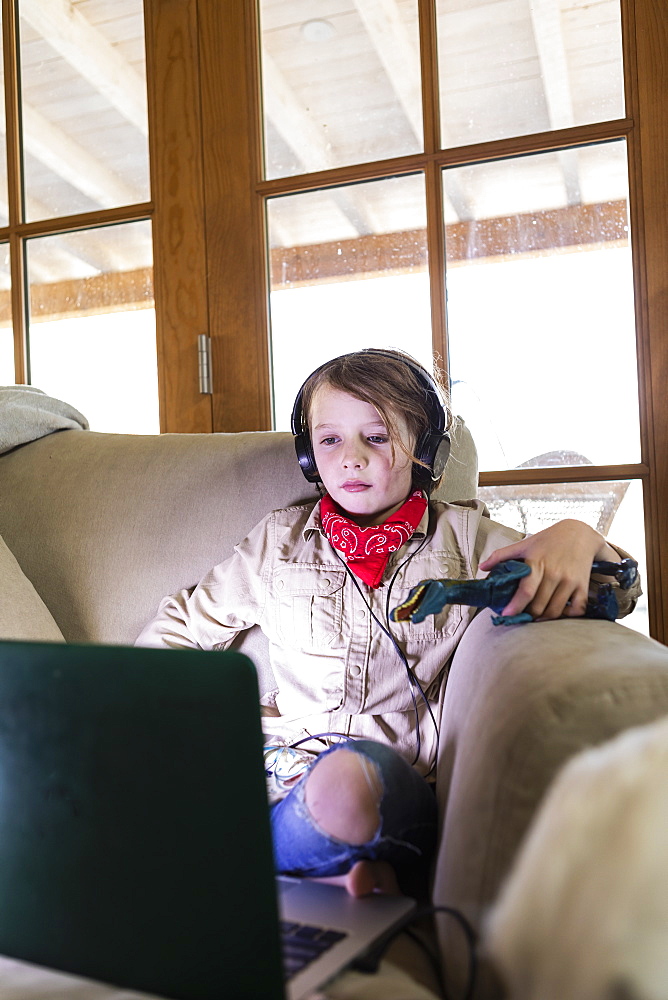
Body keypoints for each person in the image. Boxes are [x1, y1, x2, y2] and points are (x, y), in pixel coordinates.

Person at [136, 348, 641, 899]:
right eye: (329, 440)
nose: (350, 458)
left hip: (393, 784)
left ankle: (275, 863)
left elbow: (610, 593)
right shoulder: (276, 543)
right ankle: (328, 870)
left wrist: (579, 537)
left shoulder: (466, 543)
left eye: (376, 437)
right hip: (282, 780)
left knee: (349, 782)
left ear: (427, 452)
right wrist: (200, 715)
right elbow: (179, 627)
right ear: (308, 456)